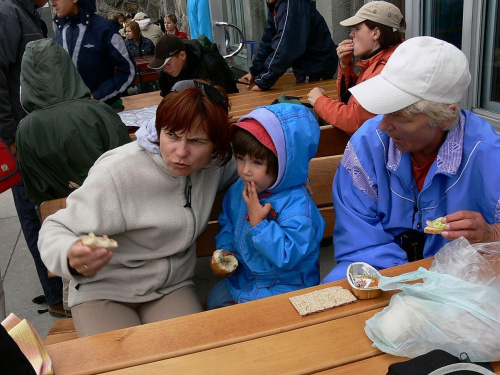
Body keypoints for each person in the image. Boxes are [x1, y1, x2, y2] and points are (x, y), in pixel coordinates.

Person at [38, 80, 239, 337]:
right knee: (122, 366)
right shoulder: (119, 170)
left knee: (190, 361)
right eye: (172, 135)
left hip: (171, 287)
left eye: (197, 141)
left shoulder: (215, 166)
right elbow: (55, 227)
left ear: (215, 146)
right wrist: (69, 254)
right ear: (159, 129)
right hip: (105, 290)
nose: (181, 152)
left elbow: (263, 152)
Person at [322, 36, 500, 283]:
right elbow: (358, 240)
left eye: (400, 117)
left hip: (460, 277)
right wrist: (406, 281)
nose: (383, 125)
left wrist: (491, 233)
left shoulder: (490, 154)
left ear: (445, 118)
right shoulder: (368, 144)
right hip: (374, 268)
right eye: (384, 110)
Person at [205, 104, 325, 309]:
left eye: (257, 162)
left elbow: (288, 255)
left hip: (287, 283)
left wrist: (260, 224)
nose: (245, 170)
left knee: (261, 320)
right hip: (246, 276)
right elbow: (227, 221)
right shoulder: (238, 189)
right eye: (240, 159)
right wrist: (226, 249)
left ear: (284, 165)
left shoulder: (296, 204)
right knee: (214, 301)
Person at [0, 0, 66, 317]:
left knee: (50, 210)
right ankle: (57, 296)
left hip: (36, 134)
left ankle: (62, 290)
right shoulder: (7, 12)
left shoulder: (24, 12)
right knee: (36, 213)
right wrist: (10, 136)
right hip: (23, 139)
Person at [16, 38, 132, 209]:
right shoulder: (97, 111)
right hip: (114, 207)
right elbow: (128, 162)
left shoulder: (25, 130)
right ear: (67, 68)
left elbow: (35, 190)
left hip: (63, 217)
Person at [307, 1, 405, 135]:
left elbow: (354, 121)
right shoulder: (379, 59)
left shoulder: (386, 70)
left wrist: (319, 101)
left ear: (375, 33)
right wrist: (345, 65)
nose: (351, 34)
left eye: (357, 29)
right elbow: (348, 100)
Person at [52, 0, 135, 109]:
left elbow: (128, 71)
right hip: (69, 112)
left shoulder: (104, 28)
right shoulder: (60, 29)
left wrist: (97, 97)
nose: (53, 3)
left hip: (103, 111)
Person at [240, 0, 337, 91]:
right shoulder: (277, 5)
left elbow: (285, 48)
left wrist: (264, 81)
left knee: (308, 104)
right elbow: (268, 41)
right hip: (306, 65)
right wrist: (254, 71)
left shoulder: (291, 5)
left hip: (315, 67)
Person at [148, 34, 238, 97]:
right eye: (162, 65)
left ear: (182, 55)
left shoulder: (211, 63)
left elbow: (231, 94)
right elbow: (168, 101)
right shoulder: (164, 74)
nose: (165, 69)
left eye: (167, 63)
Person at [124, 21, 156, 93]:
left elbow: (154, 57)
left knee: (145, 79)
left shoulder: (148, 42)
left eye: (129, 31)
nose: (127, 33)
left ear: (135, 31)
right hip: (132, 72)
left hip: (147, 72)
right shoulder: (125, 44)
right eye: (126, 31)